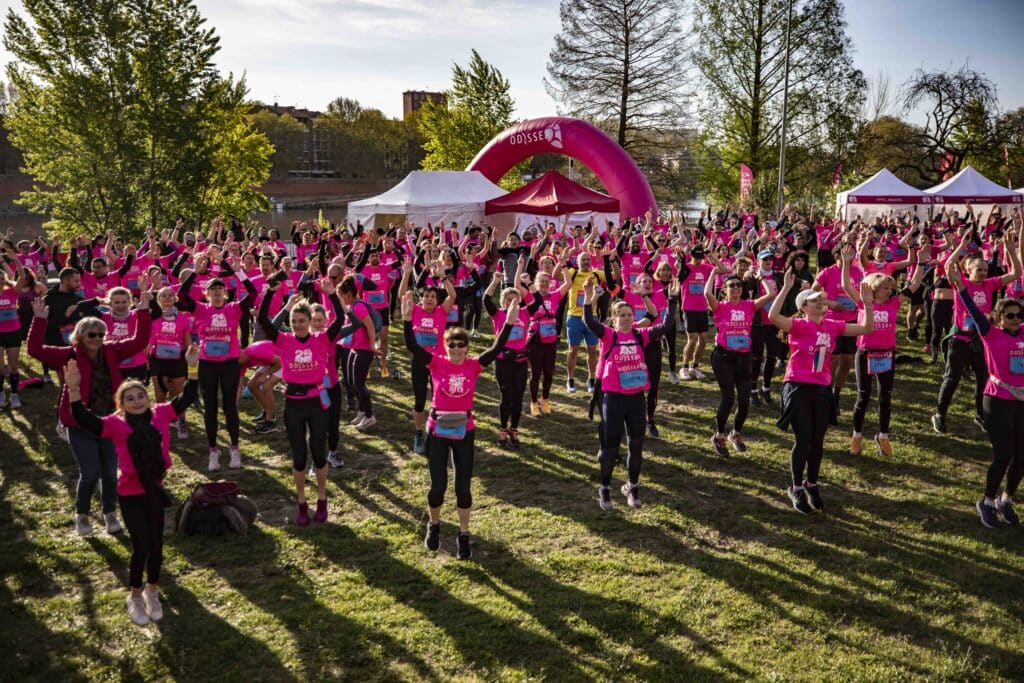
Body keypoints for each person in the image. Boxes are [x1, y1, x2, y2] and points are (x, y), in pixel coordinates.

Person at [66, 346, 199, 625]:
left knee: (157, 544)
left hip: (154, 491)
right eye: (130, 398)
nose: (137, 400)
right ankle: (135, 595)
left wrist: (193, 368)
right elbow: (85, 420)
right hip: (130, 493)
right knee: (140, 546)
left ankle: (152, 591)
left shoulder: (161, 414)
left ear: (148, 398)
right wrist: (74, 391)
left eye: (141, 396)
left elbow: (188, 396)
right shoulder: (116, 424)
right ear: (121, 403)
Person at [402, 290, 516, 560]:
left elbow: (497, 348)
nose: (455, 350)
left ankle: (463, 534)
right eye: (451, 345)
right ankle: (434, 524)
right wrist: (407, 320)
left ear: (466, 348)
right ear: (446, 346)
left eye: (460, 346)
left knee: (462, 486)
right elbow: (412, 346)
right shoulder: (436, 363)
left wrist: (509, 322)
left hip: (464, 429)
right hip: (438, 428)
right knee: (437, 484)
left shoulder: (474, 366)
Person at [28, 292, 153, 534]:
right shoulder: (69, 354)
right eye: (91, 335)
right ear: (80, 336)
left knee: (109, 472)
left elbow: (140, 340)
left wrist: (144, 311)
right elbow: (34, 350)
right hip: (79, 422)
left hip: (109, 422)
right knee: (90, 473)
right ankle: (82, 515)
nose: (97, 338)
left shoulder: (112, 350)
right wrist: (39, 319)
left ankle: (109, 513)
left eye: (100, 334)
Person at [770, 271, 874, 514]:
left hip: (821, 388)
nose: (821, 302)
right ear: (804, 306)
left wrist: (867, 305)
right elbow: (773, 316)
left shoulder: (833, 325)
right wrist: (786, 289)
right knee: (803, 439)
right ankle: (795, 488)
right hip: (797, 385)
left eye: (822, 299)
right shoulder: (797, 325)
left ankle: (812, 484)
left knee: (818, 441)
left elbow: (866, 328)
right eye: (815, 300)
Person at [258, 278, 354, 525]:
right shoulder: (284, 341)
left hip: (316, 402)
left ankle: (322, 499)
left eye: (303, 321)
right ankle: (301, 503)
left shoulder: (322, 339)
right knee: (299, 457)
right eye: (295, 322)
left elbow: (341, 322)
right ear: (290, 323)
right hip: (294, 404)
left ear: (310, 321)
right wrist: (270, 292)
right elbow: (262, 321)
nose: (299, 325)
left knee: (319, 455)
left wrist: (332, 294)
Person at [583, 278, 679, 510]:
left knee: (636, 446)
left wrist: (673, 300)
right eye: (621, 315)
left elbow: (665, 325)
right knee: (611, 448)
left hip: (636, 399)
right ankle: (604, 488)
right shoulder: (609, 335)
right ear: (614, 320)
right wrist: (588, 299)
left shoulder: (640, 335)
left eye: (629, 315)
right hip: (614, 398)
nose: (626, 318)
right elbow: (589, 321)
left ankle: (632, 486)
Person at [948, 258, 1024, 528]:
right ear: (998, 317)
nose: (1015, 320)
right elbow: (971, 308)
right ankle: (987, 500)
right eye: (1010, 315)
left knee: (1021, 457)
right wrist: (960, 287)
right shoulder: (989, 332)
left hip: (1021, 400)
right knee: (1003, 455)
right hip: (997, 399)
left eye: (1019, 315)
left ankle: (1006, 499)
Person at [932, 232, 1021, 434]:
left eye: (985, 269)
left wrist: (1010, 251)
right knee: (952, 378)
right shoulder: (961, 283)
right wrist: (961, 245)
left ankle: (981, 416)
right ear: (968, 270)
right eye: (978, 269)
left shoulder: (990, 284)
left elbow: (1016, 273)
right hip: (960, 338)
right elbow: (947, 267)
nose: (982, 273)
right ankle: (940, 414)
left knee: (983, 378)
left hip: (982, 340)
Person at [841, 247, 925, 456]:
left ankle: (883, 436)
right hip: (866, 353)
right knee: (863, 397)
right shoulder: (862, 303)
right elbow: (846, 286)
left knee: (885, 398)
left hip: (887, 354)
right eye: (886, 288)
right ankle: (856, 436)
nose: (890, 291)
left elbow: (913, 286)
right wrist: (845, 263)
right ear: (874, 288)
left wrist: (920, 263)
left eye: (891, 288)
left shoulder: (894, 303)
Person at [176, 260, 257, 470]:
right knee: (210, 408)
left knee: (230, 406)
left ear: (225, 292)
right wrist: (194, 272)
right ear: (207, 294)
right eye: (213, 289)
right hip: (207, 364)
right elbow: (182, 296)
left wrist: (239, 273)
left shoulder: (234, 309)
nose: (218, 292)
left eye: (220, 288)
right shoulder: (201, 309)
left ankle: (234, 449)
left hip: (229, 363)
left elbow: (253, 294)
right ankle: (213, 451)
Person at [705, 272, 776, 456]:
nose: (736, 288)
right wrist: (714, 273)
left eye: (738, 285)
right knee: (728, 399)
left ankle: (735, 433)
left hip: (744, 357)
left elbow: (770, 295)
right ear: (725, 290)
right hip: (723, 358)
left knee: (744, 401)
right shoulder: (720, 306)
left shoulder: (749, 306)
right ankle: (719, 435)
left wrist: (761, 278)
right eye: (731, 285)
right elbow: (706, 293)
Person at [398, 258, 457, 454]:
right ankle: (418, 435)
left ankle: (437, 430)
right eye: (427, 296)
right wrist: (406, 273)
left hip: (438, 363)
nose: (430, 299)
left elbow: (453, 295)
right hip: (419, 361)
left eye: (433, 296)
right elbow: (401, 295)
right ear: (421, 299)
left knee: (439, 398)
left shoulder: (441, 312)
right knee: (419, 399)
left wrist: (443, 276)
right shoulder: (414, 311)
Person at [0, 252, 28, 408]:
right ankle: (1, 394)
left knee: (13, 367)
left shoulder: (12, 292)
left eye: (2, 277)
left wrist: (16, 259)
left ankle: (14, 394)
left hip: (13, 332)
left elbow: (22, 278)